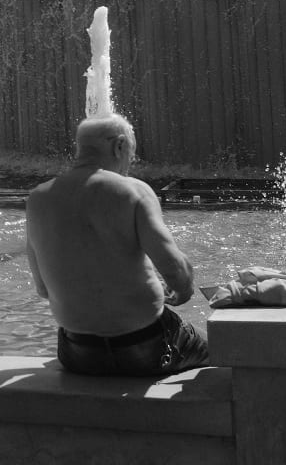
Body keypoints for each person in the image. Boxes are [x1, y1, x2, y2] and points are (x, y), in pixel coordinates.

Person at [25, 114, 209, 378]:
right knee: (223, 354)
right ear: (119, 146)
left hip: (77, 354)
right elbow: (174, 270)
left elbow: (43, 289)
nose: (131, 161)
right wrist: (182, 290)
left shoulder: (38, 198)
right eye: (132, 152)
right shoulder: (133, 191)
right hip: (144, 347)